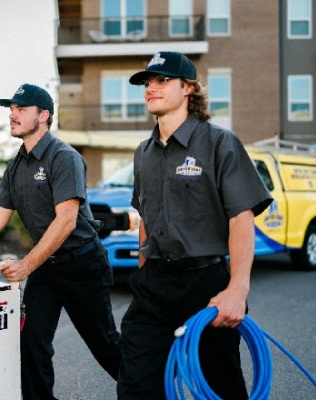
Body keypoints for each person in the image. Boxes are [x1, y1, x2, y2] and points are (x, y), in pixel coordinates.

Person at [0, 83, 121, 399]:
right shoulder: (15, 166)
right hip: (46, 266)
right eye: (11, 109)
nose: (12, 115)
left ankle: (150, 391)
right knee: (31, 341)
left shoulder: (64, 158)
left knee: (105, 345)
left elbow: (66, 220)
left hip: (81, 262)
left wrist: (26, 264)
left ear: (43, 115)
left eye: (20, 109)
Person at [117, 51, 273, 399]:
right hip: (153, 285)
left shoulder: (219, 143)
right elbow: (144, 216)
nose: (150, 88)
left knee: (220, 385)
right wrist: (143, 270)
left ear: (188, 88)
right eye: (147, 82)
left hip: (205, 284)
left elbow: (241, 218)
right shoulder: (143, 152)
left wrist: (237, 290)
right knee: (135, 386)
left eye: (162, 80)